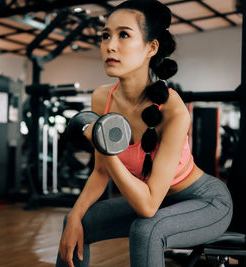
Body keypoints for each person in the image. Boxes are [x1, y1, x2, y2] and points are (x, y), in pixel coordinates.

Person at [56, 1, 233, 266]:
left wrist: (106, 148)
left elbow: (147, 207)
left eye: (124, 35)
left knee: (146, 229)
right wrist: (74, 216)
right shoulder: (102, 98)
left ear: (151, 47)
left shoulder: (173, 111)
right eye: (106, 35)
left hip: (204, 202)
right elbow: (101, 172)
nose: (110, 45)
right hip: (158, 203)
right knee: (78, 220)